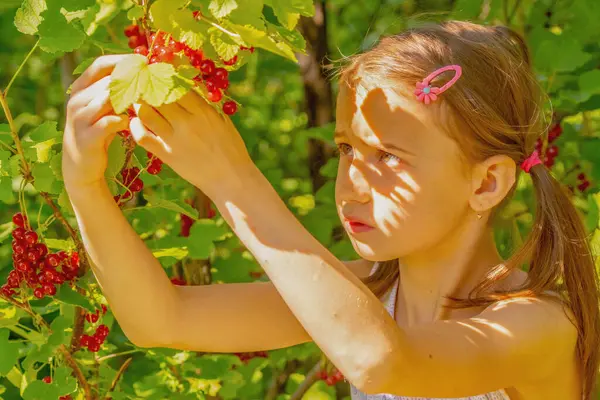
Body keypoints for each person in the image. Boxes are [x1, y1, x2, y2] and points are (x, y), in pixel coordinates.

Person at [62, 20, 599, 399]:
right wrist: (85, 184)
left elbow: (380, 360)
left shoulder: (537, 323)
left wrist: (233, 178)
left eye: (389, 155)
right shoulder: (365, 291)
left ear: (486, 183)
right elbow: (160, 319)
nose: (354, 184)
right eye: (347, 148)